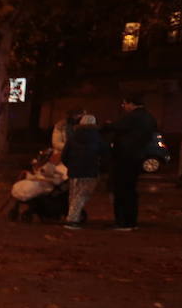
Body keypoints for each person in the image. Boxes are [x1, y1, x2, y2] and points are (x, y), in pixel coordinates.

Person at [107, 95, 158, 231]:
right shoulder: (149, 118)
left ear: (131, 104)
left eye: (124, 104)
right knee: (130, 190)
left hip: (124, 158)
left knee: (121, 190)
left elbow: (115, 127)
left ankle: (123, 222)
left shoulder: (132, 118)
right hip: (137, 157)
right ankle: (131, 221)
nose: (123, 107)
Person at [62, 114, 105, 230]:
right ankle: (72, 220)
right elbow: (104, 154)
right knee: (82, 195)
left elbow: (64, 155)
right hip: (90, 171)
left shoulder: (73, 137)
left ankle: (73, 216)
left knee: (74, 195)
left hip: (74, 170)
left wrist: (70, 165)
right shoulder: (98, 138)